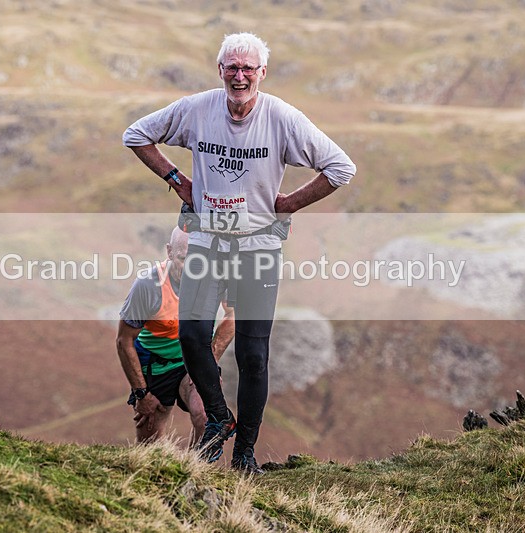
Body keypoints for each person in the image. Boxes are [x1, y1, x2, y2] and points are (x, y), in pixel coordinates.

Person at [123, 32, 356, 473]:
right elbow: (135, 135)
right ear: (220, 71)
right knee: (192, 335)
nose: (240, 75)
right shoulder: (197, 109)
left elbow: (341, 167)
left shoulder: (283, 118)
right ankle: (217, 416)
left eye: (249, 68)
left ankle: (245, 451)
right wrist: (177, 179)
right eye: (232, 67)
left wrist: (288, 203)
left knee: (253, 355)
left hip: (259, 247)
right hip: (208, 240)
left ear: (262, 74)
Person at [116, 227, 234, 446]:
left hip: (193, 361)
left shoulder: (215, 275)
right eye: (183, 259)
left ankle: (196, 474)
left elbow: (234, 314)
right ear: (169, 252)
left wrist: (210, 359)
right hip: (154, 365)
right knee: (149, 446)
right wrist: (141, 393)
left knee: (207, 416)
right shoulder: (148, 285)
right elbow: (124, 341)